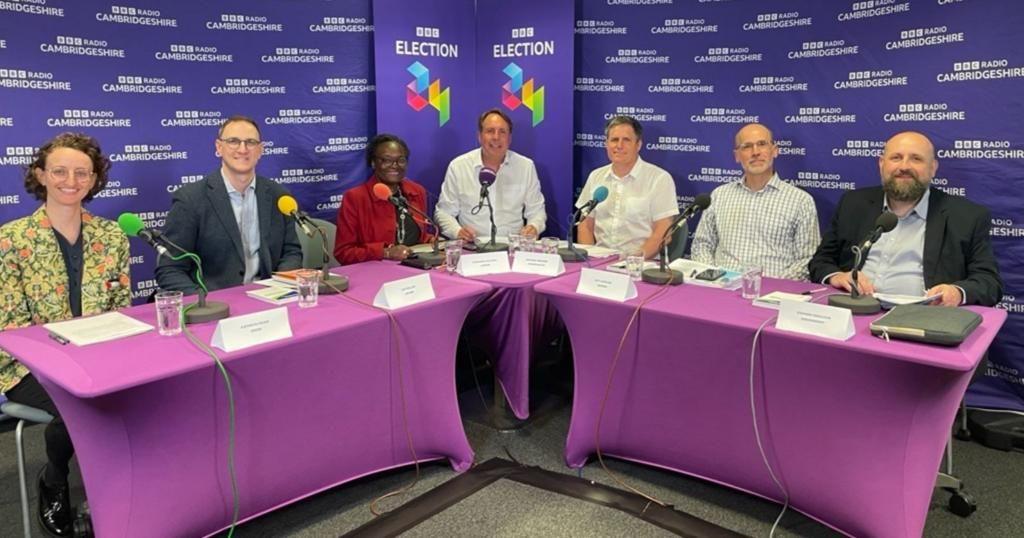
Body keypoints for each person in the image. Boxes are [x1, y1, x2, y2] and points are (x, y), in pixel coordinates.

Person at [0, 133, 131, 536]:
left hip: (99, 358)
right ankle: (55, 478)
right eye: (59, 171)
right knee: (76, 406)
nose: (69, 180)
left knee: (141, 395)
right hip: (25, 364)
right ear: (40, 175)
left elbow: (121, 308)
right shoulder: (10, 240)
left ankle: (124, 485)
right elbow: (10, 326)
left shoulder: (112, 237)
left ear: (94, 180)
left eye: (81, 172)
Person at [809, 131, 1002, 306]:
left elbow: (989, 283)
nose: (904, 166)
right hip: (854, 312)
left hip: (922, 320)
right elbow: (821, 261)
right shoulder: (852, 203)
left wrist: (957, 292)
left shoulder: (967, 216)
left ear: (933, 167)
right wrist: (837, 277)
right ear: (881, 164)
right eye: (896, 158)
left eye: (916, 159)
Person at [156, 115, 302, 293]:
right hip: (214, 303)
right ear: (219, 147)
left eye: (250, 142)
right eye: (233, 141)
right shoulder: (190, 199)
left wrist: (280, 288)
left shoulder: (279, 196)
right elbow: (170, 269)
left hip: (269, 299)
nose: (242, 149)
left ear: (260, 150)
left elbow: (291, 252)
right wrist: (205, 303)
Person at [691, 123, 820, 279]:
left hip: (775, 293)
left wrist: (775, 287)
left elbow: (807, 259)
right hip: (721, 286)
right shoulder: (720, 195)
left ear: (775, 150)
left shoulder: (800, 201)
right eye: (746, 147)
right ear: (737, 156)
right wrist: (713, 278)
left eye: (762, 144)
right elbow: (702, 244)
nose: (755, 152)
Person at [435, 109, 546, 243]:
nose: (496, 137)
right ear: (480, 136)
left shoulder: (526, 166)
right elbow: (444, 212)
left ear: (510, 138)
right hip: (473, 246)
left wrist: (533, 227)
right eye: (490, 131)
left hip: (512, 247)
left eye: (502, 132)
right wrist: (457, 231)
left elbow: (537, 211)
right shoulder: (458, 166)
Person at [576, 115, 679, 258]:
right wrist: (590, 258)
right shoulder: (596, 176)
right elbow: (585, 225)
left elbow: (663, 232)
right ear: (606, 144)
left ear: (638, 145)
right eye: (614, 140)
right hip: (600, 263)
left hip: (642, 264)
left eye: (626, 140)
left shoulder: (659, 179)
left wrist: (633, 261)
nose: (619, 146)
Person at [333, 134, 431, 264]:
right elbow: (344, 252)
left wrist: (435, 243)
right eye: (386, 160)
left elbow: (420, 237)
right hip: (376, 272)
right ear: (373, 163)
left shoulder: (416, 192)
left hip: (416, 267)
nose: (394, 165)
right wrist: (385, 252)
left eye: (401, 160)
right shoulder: (356, 197)